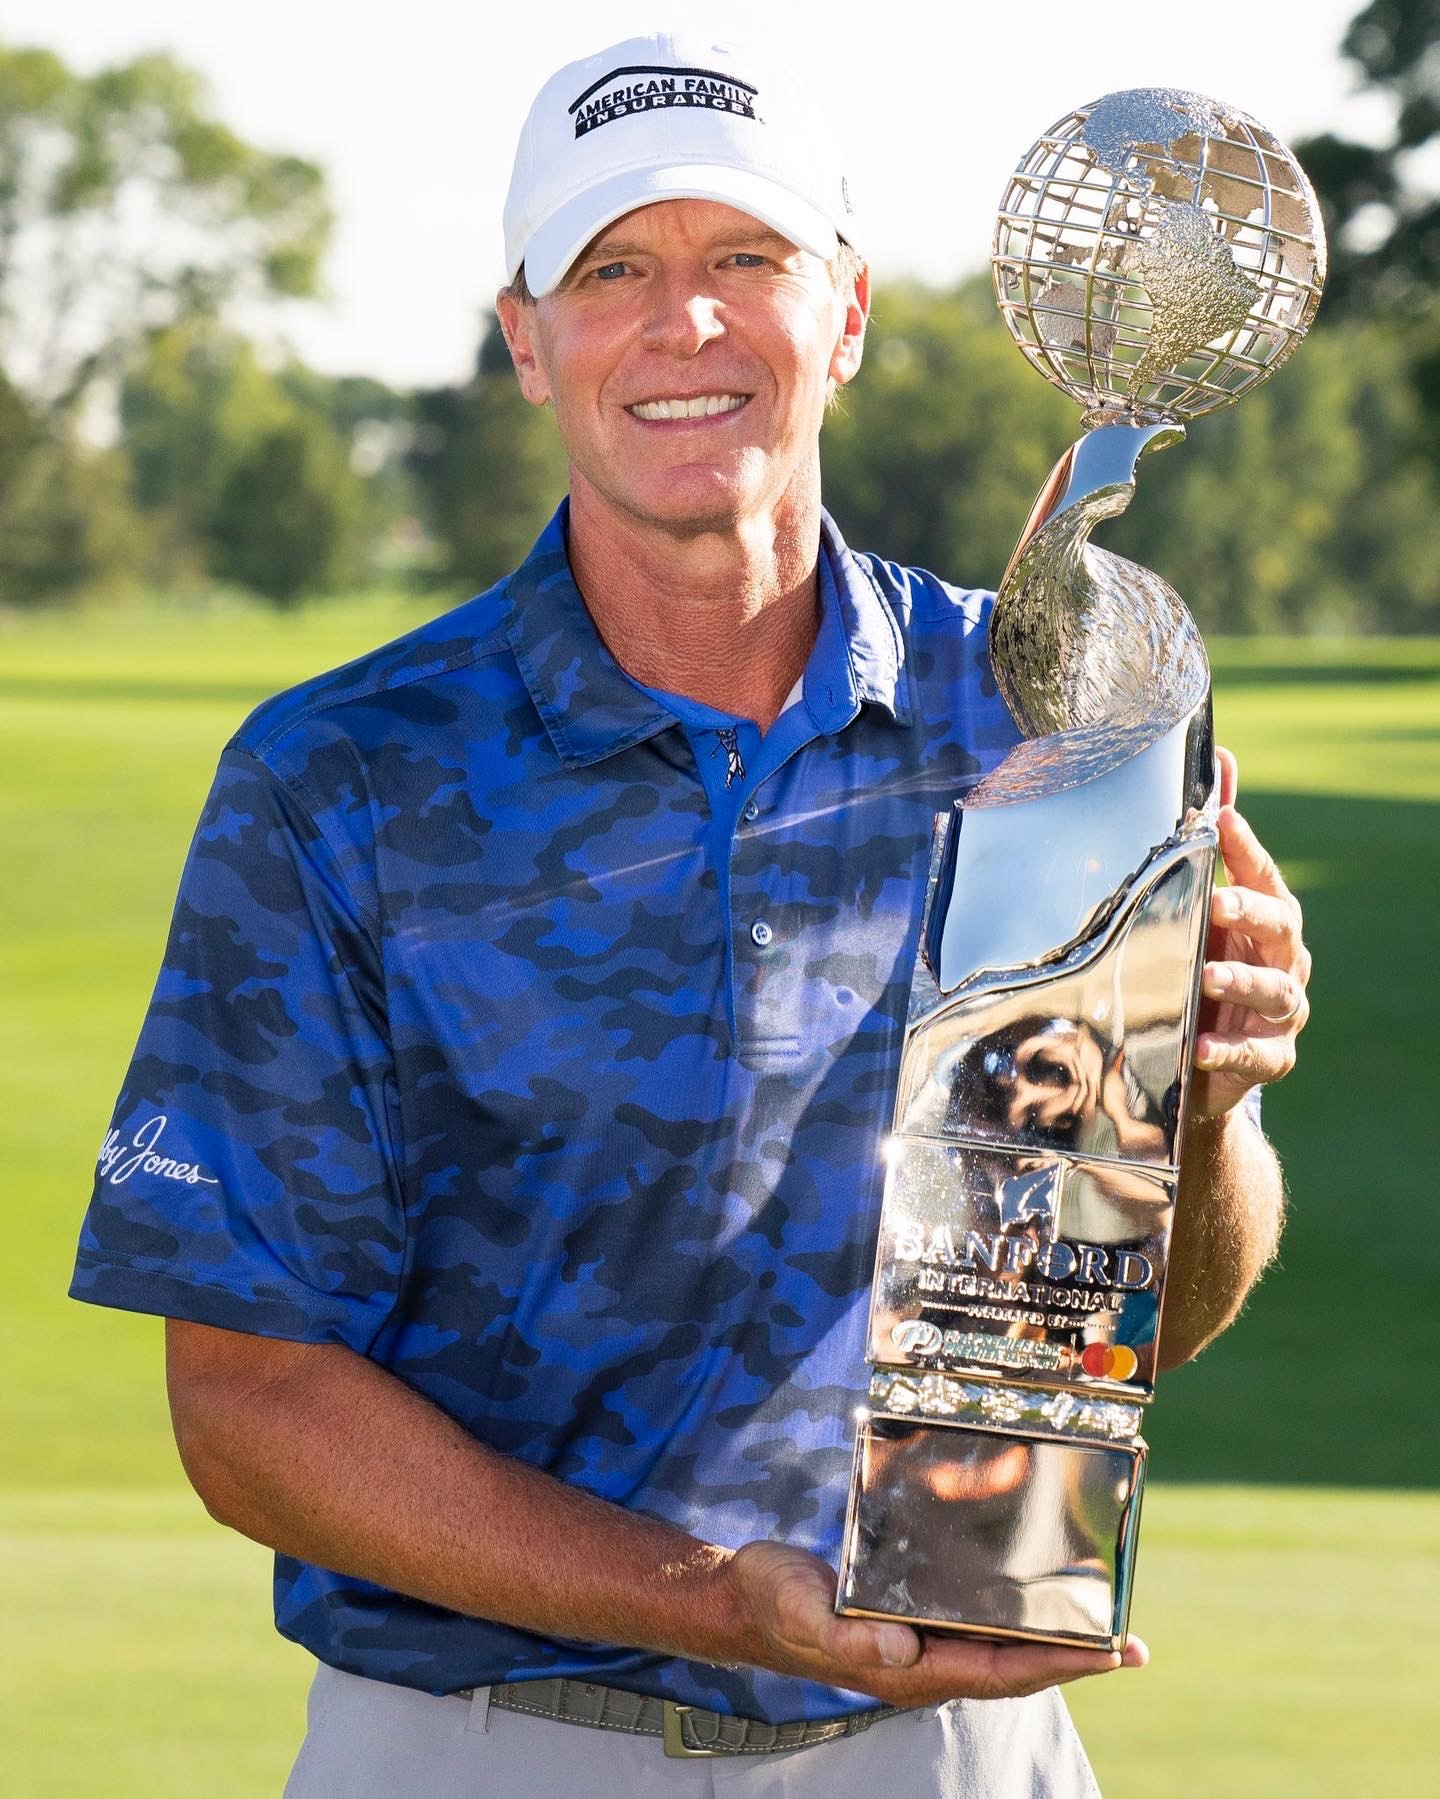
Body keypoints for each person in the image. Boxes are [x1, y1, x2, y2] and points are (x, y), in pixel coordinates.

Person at [69, 31, 1310, 1797]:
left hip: (945, 1741)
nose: (688, 326)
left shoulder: (1058, 713)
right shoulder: (339, 778)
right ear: (527, 339)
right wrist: (724, 1601)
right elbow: (251, 1410)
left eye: (748, 259)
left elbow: (1143, 1319)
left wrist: (1216, 1105)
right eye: (615, 270)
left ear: (851, 311)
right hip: (476, 1754)